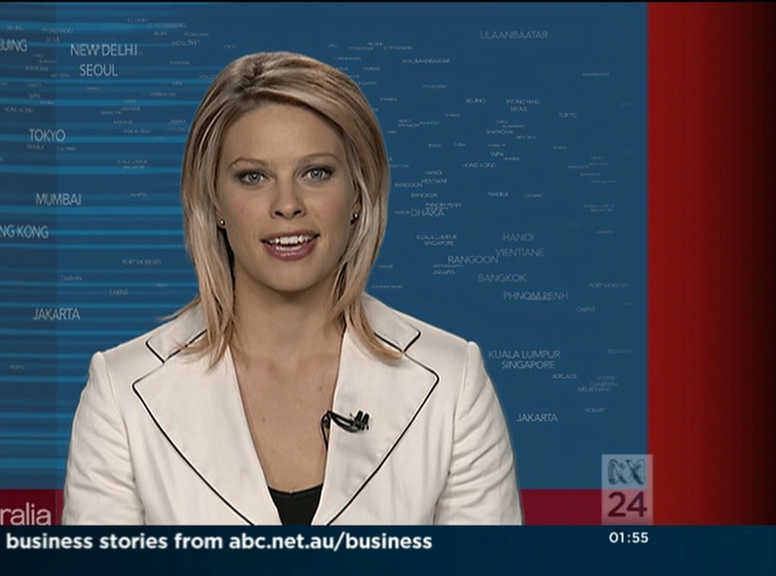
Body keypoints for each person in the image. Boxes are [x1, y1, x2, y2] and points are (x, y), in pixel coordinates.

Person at [62, 51, 523, 525]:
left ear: (359, 193)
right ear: (214, 200)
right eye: (253, 177)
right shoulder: (120, 395)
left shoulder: (452, 385)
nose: (287, 204)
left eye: (315, 173)